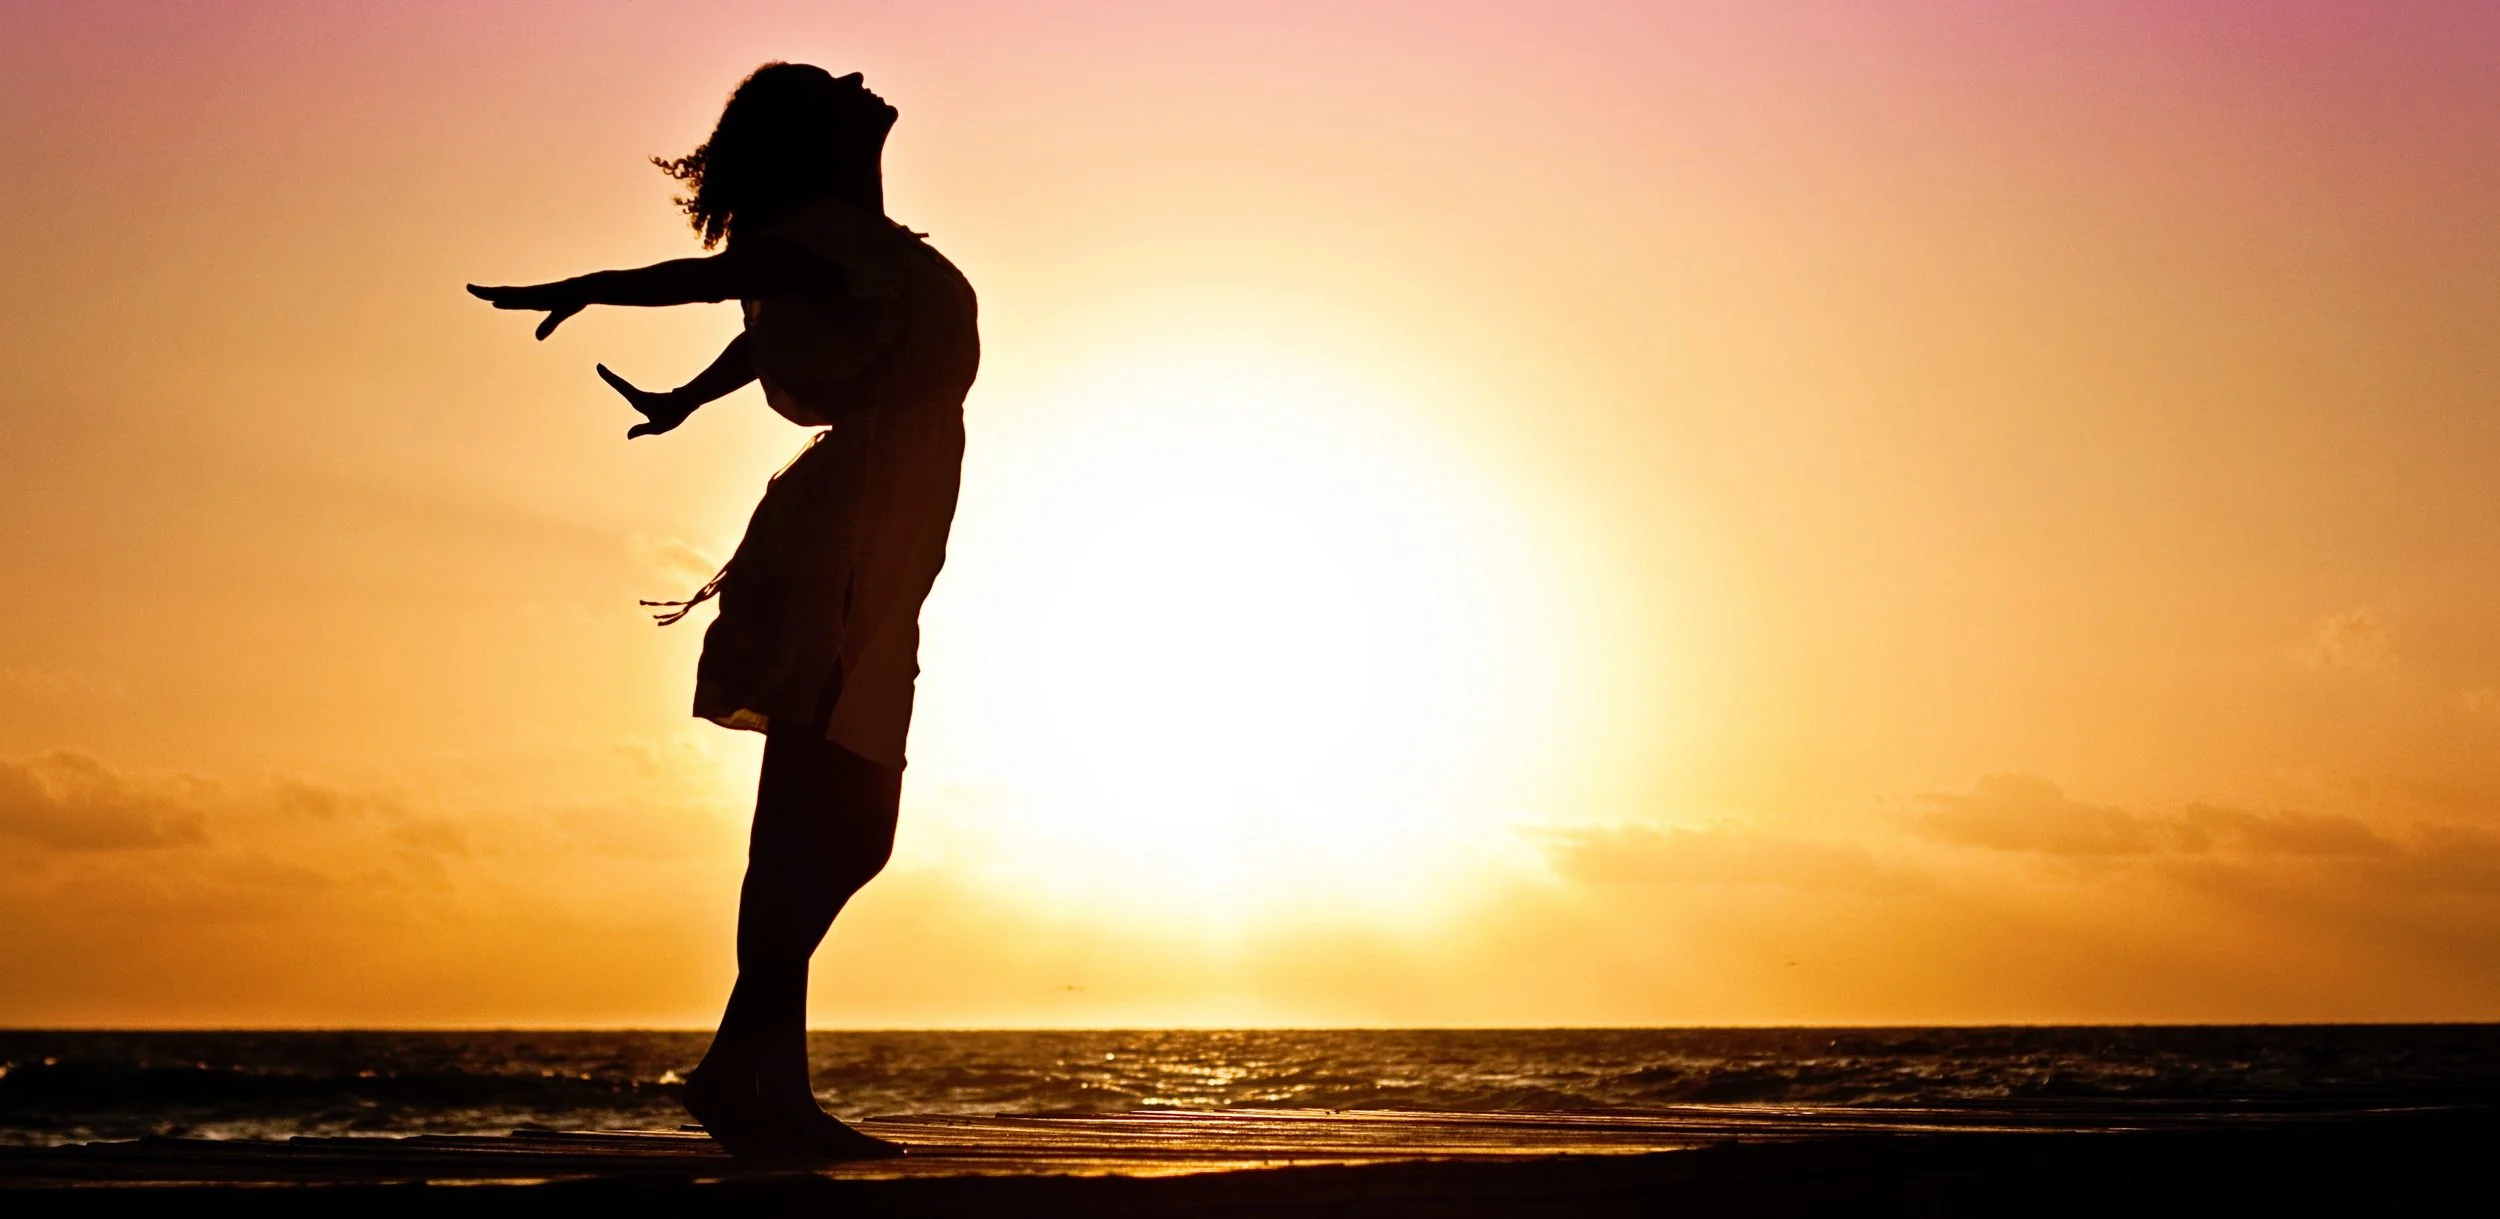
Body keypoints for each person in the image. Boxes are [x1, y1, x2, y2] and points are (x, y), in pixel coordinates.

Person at [468, 62, 978, 1160]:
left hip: (878, 529)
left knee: (838, 826)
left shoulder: (859, 243)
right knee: (822, 817)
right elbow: (709, 285)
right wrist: (592, 286)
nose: (858, 77)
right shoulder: (820, 232)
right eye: (831, 85)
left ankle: (744, 1074)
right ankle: (755, 1083)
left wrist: (686, 398)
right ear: (814, 135)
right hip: (849, 533)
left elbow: (774, 323)